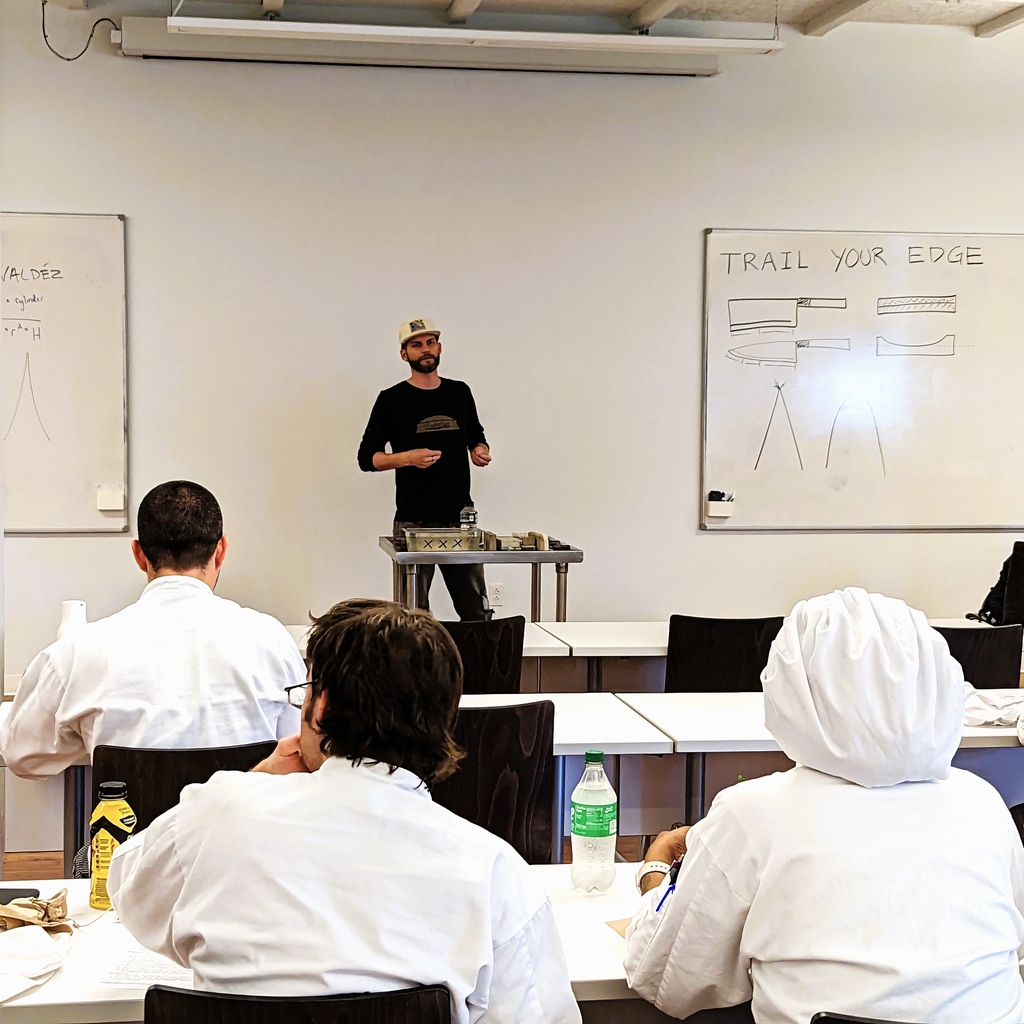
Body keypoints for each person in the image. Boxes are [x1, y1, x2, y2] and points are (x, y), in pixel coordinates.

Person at [108, 599, 581, 1024]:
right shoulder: (494, 870)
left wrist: (254, 781)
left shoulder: (216, 813)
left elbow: (128, 892)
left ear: (323, 705)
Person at [624, 587, 1024, 1024]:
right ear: (938, 681)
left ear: (791, 688)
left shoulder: (753, 813)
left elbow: (671, 981)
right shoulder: (983, 803)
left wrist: (656, 874)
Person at [0, 480, 304, 780]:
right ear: (221, 550)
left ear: (139, 554)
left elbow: (22, 756)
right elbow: (295, 749)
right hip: (239, 828)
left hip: (128, 830)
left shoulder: (79, 651)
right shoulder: (273, 641)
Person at [357, 317, 492, 621]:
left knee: (476, 611)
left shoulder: (460, 392)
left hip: (460, 519)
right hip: (413, 520)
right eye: (416, 345)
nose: (425, 349)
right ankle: (418, 670)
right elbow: (367, 459)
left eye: (430, 342)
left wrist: (479, 451)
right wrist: (406, 458)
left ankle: (478, 669)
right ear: (405, 354)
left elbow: (475, 435)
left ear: (439, 347)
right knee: (412, 617)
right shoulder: (391, 400)